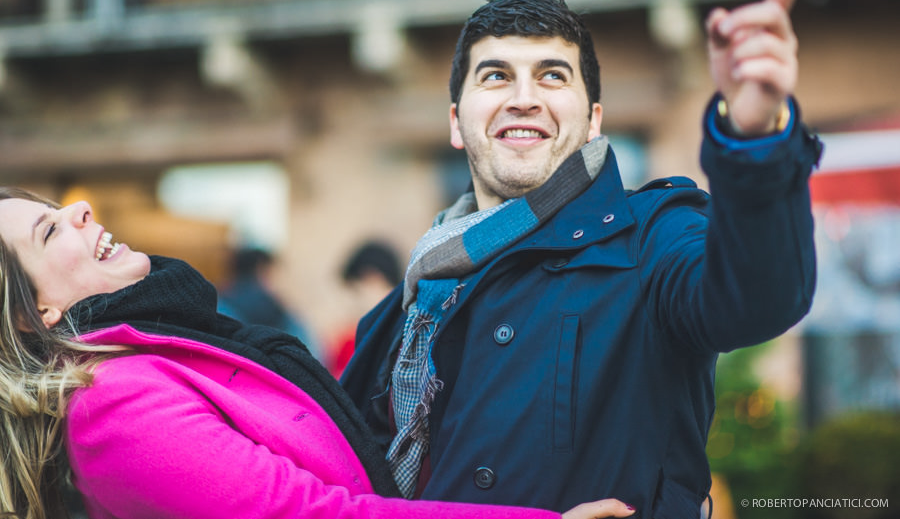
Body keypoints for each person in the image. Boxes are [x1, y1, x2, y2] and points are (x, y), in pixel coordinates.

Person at [341, 0, 823, 516]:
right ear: (456, 121)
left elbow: (758, 298)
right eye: (496, 76)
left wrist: (755, 141)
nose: (524, 100)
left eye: (552, 76)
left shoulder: (652, 237)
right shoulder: (406, 304)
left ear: (593, 118)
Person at [0, 188, 635, 519]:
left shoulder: (174, 342)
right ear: (38, 314)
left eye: (56, 209)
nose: (80, 209)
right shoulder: (109, 404)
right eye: (50, 229)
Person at [328, 240, 404, 377]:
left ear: (373, 280)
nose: (353, 302)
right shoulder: (347, 340)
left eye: (356, 290)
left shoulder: (355, 341)